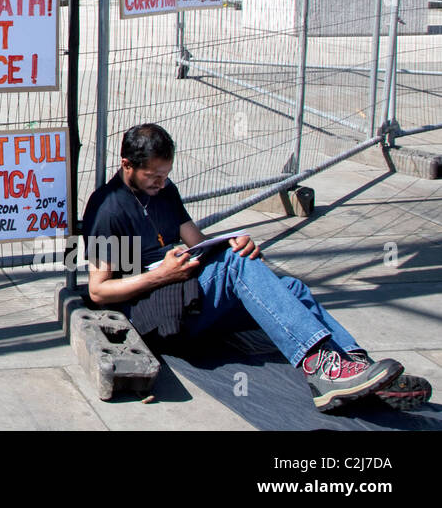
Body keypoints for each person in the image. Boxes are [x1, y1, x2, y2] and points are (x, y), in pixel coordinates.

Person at [82, 123, 431, 412]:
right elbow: (99, 291)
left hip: (181, 292)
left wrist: (231, 243)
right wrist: (161, 274)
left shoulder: (164, 192)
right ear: (127, 165)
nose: (160, 182)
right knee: (236, 268)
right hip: (150, 313)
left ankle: (356, 365)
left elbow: (197, 241)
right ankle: (318, 366)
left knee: (289, 287)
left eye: (165, 175)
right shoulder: (107, 208)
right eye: (152, 176)